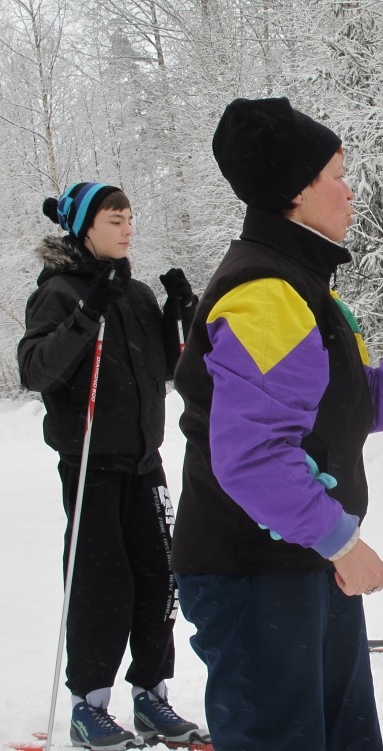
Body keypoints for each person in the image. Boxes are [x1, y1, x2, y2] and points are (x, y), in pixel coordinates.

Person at [170, 97, 383, 751]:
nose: (351, 191)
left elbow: (357, 405)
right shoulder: (264, 294)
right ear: (295, 190)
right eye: (337, 175)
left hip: (301, 563)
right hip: (253, 573)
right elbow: (253, 458)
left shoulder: (304, 286)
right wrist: (343, 544)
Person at [18, 183, 204, 750]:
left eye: (130, 220)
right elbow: (36, 370)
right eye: (116, 220)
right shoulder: (58, 293)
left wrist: (182, 311)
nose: (127, 229)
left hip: (145, 463)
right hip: (91, 464)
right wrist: (85, 313)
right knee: (104, 584)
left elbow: (174, 367)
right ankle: (88, 704)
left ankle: (151, 696)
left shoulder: (136, 292)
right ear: (86, 228)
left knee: (158, 579)